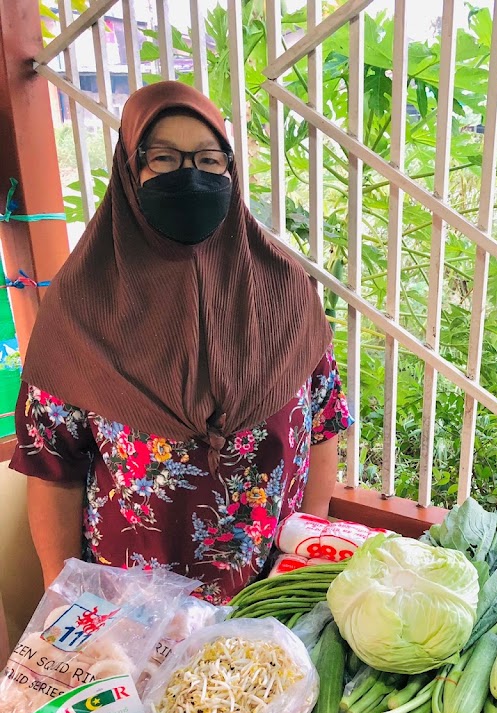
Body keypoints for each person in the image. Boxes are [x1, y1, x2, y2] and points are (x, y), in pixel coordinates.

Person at [11, 81, 350, 603]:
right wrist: (67, 600)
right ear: (128, 170)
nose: (190, 177)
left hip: (268, 601)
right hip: (135, 613)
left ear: (231, 172)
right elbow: (52, 468)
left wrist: (304, 558)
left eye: (210, 161)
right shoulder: (82, 309)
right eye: (164, 159)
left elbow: (324, 425)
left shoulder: (285, 290)